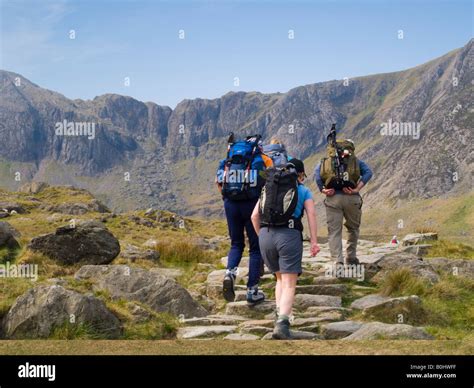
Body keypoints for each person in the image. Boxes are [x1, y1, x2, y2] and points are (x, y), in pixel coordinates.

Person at [251, 159, 320, 339]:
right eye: (303, 175)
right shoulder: (303, 190)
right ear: (299, 175)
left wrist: (262, 237)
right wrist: (314, 241)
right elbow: (312, 214)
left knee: (280, 280)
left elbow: (254, 216)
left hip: (266, 234)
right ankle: (282, 323)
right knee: (290, 283)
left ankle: (278, 314)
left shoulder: (269, 189)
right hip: (289, 235)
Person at [216, 135, 272, 305]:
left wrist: (229, 198)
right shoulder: (258, 161)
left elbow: (219, 184)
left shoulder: (226, 161)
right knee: (255, 248)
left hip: (230, 204)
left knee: (236, 243)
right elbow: (267, 182)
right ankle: (252, 290)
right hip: (251, 204)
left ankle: (230, 273)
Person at [314, 141, 373, 268]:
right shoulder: (355, 161)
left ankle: (337, 261)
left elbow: (317, 174)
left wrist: (322, 189)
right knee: (353, 228)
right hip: (352, 198)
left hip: (333, 198)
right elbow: (368, 173)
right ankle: (351, 257)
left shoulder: (327, 161)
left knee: (334, 231)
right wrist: (357, 188)